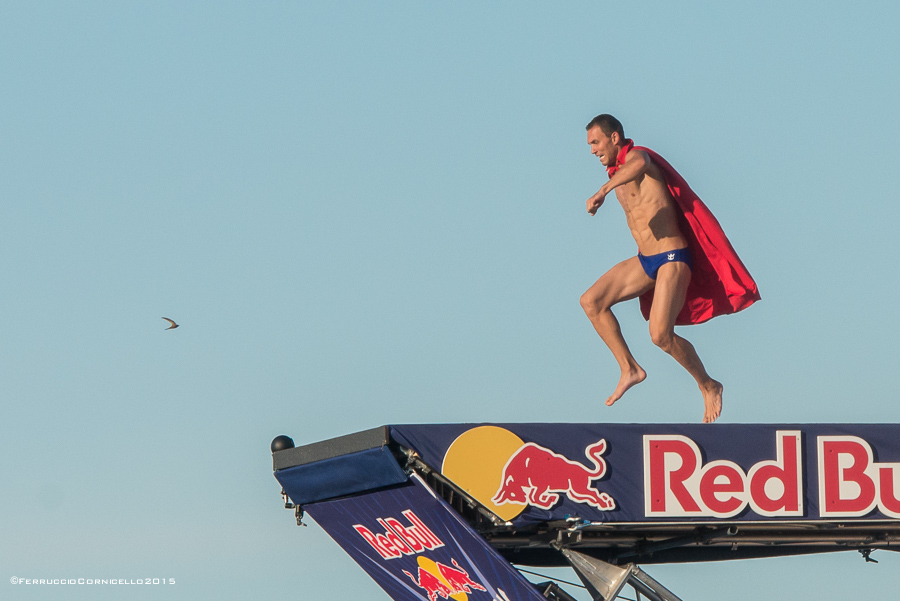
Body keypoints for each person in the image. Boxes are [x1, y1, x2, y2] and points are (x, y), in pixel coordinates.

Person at [580, 114, 759, 423]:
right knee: (592, 302)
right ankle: (630, 369)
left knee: (661, 335)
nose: (592, 150)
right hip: (647, 261)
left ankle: (708, 384)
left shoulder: (637, 157)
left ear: (613, 138)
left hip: (673, 257)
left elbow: (639, 164)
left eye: (595, 142)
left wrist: (603, 191)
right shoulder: (615, 171)